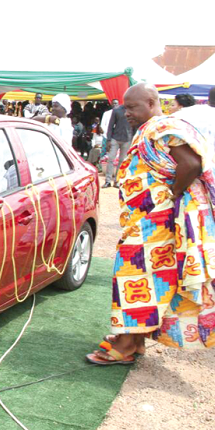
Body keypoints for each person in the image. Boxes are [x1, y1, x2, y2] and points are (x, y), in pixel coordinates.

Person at [86, 83, 215, 365]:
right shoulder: (151, 129)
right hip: (149, 219)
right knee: (150, 280)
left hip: (159, 221)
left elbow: (191, 165)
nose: (126, 113)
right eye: (124, 107)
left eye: (132, 107)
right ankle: (134, 341)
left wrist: (174, 193)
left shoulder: (161, 127)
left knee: (134, 275)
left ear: (152, 102)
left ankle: (125, 344)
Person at [104, 100, 134, 188]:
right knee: (110, 159)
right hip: (115, 138)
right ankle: (108, 181)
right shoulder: (117, 110)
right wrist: (108, 139)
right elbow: (110, 125)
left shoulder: (133, 111)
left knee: (122, 161)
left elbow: (135, 126)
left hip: (127, 139)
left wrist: (133, 139)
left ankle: (117, 181)